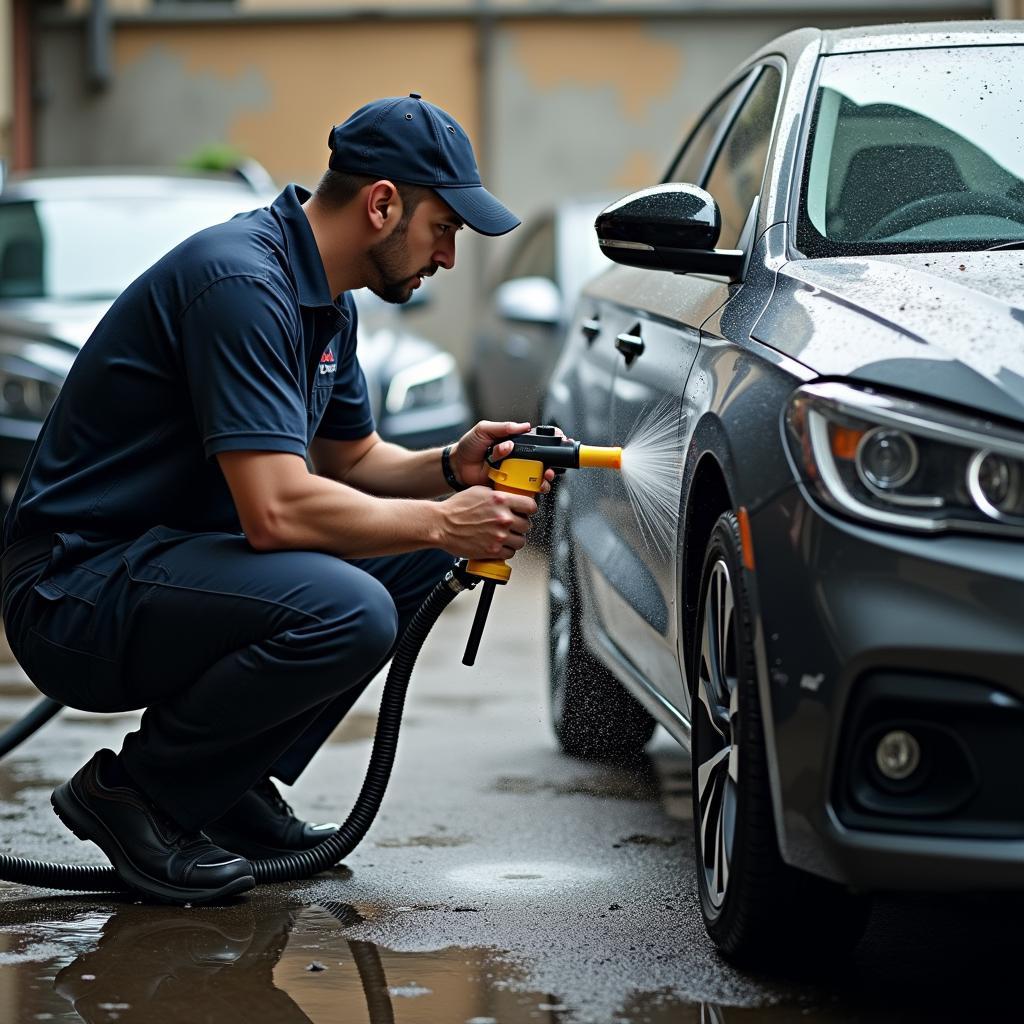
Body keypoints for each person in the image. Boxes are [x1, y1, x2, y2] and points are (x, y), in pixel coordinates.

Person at [0, 94, 549, 905]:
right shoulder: (240, 284)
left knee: (409, 558)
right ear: (383, 204)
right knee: (352, 608)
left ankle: (225, 784)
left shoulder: (326, 301)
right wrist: (444, 520)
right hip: (75, 591)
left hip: (162, 569)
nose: (448, 256)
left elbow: (353, 457)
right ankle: (137, 796)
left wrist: (448, 467)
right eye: (445, 228)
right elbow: (278, 512)